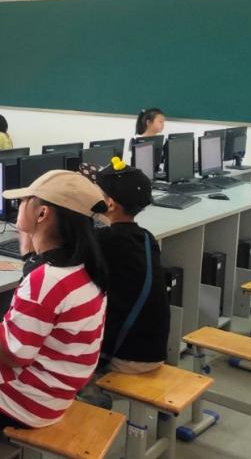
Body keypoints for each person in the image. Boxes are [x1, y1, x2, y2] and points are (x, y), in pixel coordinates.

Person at [0, 170, 108, 435]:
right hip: (55, 391)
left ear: (42, 213)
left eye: (24, 200)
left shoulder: (47, 280)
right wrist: (30, 249)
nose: (17, 206)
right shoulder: (82, 266)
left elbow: (12, 355)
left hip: (26, 402)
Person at [94, 158, 168, 373]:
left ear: (110, 204)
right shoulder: (146, 238)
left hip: (127, 357)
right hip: (153, 350)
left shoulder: (105, 241)